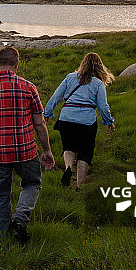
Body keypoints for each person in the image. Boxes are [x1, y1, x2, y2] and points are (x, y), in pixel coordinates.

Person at [0, 46, 55, 244]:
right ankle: (20, 217)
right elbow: (39, 123)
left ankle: (2, 239)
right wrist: (47, 150)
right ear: (17, 64)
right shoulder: (29, 87)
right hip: (26, 150)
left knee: (0, 195)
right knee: (32, 183)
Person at [43, 52, 115, 189]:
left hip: (66, 118)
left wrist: (47, 113)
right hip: (87, 122)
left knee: (68, 147)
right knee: (85, 153)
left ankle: (68, 167)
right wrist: (109, 121)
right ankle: (79, 187)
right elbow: (103, 106)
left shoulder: (70, 77)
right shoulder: (98, 83)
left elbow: (56, 96)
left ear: (83, 63)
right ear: (100, 67)